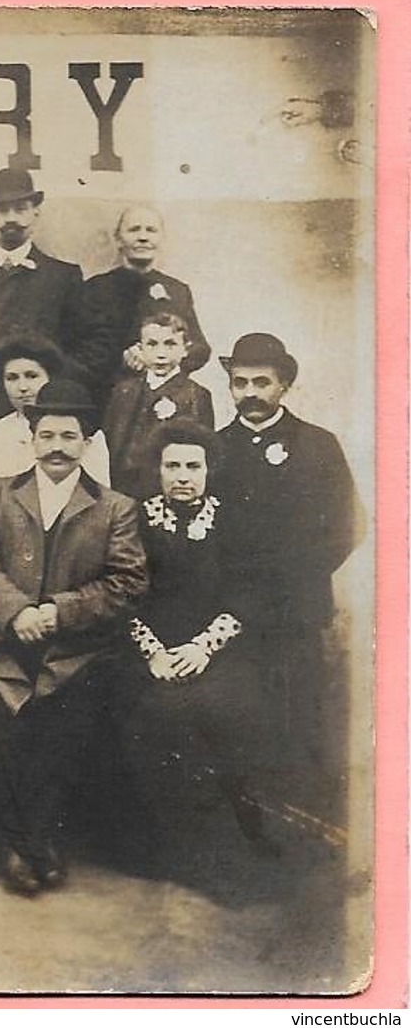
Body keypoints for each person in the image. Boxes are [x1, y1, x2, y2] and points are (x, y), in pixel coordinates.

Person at [0, 379, 148, 896]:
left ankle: (29, 842)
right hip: (4, 643)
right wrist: (16, 612)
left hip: (75, 650)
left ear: (86, 442)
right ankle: (27, 846)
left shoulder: (114, 507)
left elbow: (127, 583)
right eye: (47, 435)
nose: (57, 446)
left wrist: (58, 612)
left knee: (59, 729)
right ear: (32, 441)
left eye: (69, 435)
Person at [110, 421, 280, 903]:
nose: (182, 476)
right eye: (172, 466)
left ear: (209, 470)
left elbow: (249, 594)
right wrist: (155, 653)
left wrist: (203, 646)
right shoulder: (135, 520)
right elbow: (122, 594)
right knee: (159, 716)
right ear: (157, 469)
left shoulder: (232, 520)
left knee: (229, 710)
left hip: (214, 651)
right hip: (149, 652)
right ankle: (174, 854)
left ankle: (228, 849)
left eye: (193, 466)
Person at [213, 333, 360, 822]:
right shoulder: (212, 448)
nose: (249, 392)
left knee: (297, 720)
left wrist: (292, 580)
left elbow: (348, 526)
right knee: (241, 721)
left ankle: (301, 846)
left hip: (295, 611)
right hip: (232, 616)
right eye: (239, 383)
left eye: (261, 382)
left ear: (285, 385)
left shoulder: (317, 445)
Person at [0, 168, 83, 419]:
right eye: (2, 210)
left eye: (20, 209)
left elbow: (76, 347)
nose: (10, 218)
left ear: (36, 212)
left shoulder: (63, 276)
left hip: (44, 406)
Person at [70, 205, 210, 410]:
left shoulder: (177, 290)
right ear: (118, 239)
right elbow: (76, 351)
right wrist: (121, 359)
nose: (143, 237)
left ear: (161, 238)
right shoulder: (94, 289)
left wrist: (166, 357)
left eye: (151, 230)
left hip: (166, 399)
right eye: (134, 230)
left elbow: (199, 348)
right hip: (107, 397)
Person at [0, 335, 112, 487]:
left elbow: (99, 498)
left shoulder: (85, 433)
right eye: (12, 378)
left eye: (31, 376)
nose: (22, 387)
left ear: (50, 378)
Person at [103, 311, 215, 498]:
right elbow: (111, 438)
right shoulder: (123, 391)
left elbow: (200, 451)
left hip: (166, 491)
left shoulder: (196, 394)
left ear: (185, 349)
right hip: (123, 489)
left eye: (170, 344)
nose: (161, 354)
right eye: (152, 344)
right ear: (140, 348)